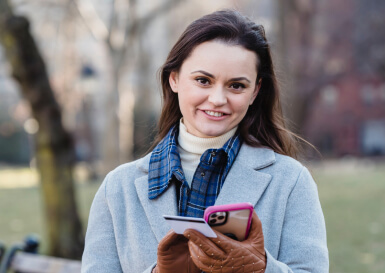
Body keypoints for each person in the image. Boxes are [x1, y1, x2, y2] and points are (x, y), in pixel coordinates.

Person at [81, 9, 329, 273]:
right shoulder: (117, 189)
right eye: (203, 80)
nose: (218, 99)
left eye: (236, 86)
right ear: (174, 79)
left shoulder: (290, 181)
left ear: (255, 91)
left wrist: (261, 269)